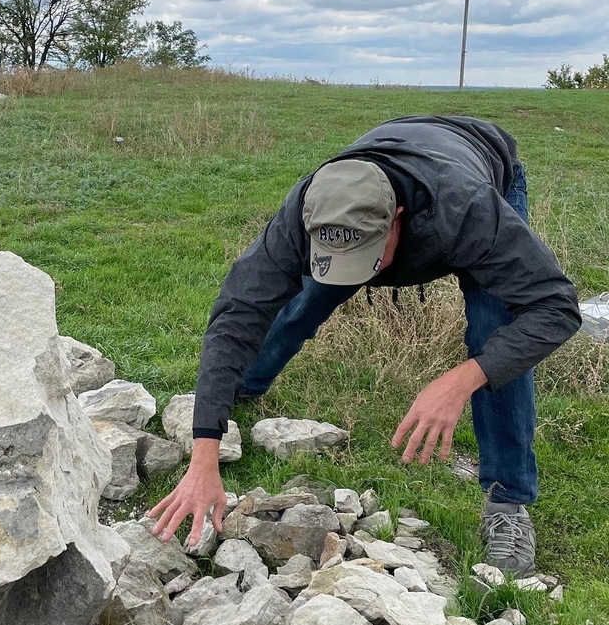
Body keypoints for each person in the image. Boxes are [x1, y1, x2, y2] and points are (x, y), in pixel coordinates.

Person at [148, 115, 581, 577]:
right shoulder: (309, 209)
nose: (358, 276)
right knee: (307, 299)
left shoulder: (469, 211)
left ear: (396, 222)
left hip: (480, 168)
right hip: (398, 160)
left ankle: (508, 502)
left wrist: (464, 378)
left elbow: (555, 307)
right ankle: (244, 386)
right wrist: (204, 452)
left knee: (494, 331)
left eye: (365, 258)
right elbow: (237, 315)